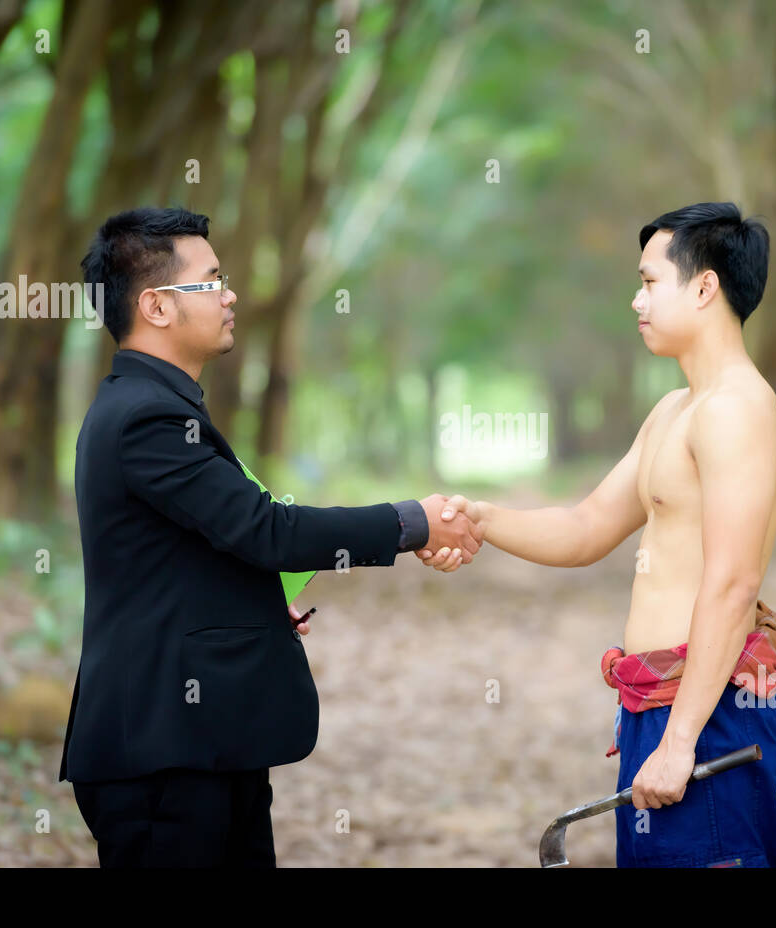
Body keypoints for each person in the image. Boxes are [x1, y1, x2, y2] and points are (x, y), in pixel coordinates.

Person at [60, 206, 481, 867]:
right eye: (212, 280)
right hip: (161, 754)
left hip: (204, 742)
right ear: (158, 306)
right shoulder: (146, 419)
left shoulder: (158, 409)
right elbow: (267, 530)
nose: (230, 295)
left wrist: (249, 604)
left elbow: (199, 547)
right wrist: (413, 521)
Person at [419, 202, 776, 867]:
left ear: (704, 287)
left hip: (706, 715)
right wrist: (482, 518)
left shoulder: (737, 408)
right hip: (658, 709)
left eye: (650, 283)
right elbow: (588, 525)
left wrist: (679, 742)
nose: (636, 300)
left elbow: (734, 583)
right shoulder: (676, 409)